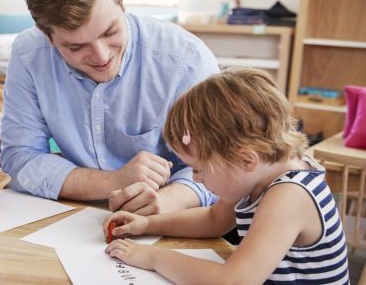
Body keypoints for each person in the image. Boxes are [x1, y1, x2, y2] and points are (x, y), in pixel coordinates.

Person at [1, 0, 220, 215]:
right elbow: (20, 158)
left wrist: (168, 200)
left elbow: (220, 162)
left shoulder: (186, 59)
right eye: (76, 47)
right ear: (46, 35)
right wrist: (114, 182)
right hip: (68, 217)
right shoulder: (29, 54)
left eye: (110, 32)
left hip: (172, 219)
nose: (101, 56)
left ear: (122, 3)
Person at [103, 68, 349, 283]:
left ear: (246, 159)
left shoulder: (290, 195)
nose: (197, 179)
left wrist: (153, 257)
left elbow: (232, 281)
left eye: (199, 169)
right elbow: (214, 219)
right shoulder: (255, 175)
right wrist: (147, 224)